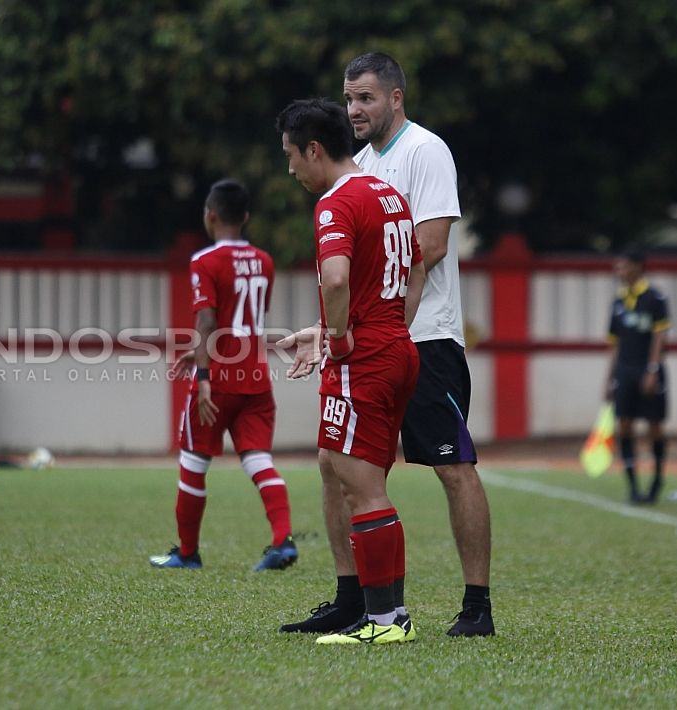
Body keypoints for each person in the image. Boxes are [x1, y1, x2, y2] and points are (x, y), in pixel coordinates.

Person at [284, 52, 495, 638]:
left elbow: (425, 250)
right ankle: (354, 600)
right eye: (348, 99)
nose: (354, 109)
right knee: (337, 466)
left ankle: (475, 604)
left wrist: (359, 328)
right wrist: (332, 329)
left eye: (366, 98)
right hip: (385, 335)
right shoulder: (361, 165)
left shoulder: (425, 151)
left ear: (396, 98)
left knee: (452, 468)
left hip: (422, 337)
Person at [274, 98, 425, 644]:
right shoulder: (389, 195)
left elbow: (336, 280)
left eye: (291, 156)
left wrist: (337, 339)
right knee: (337, 468)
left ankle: (387, 620)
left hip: (364, 361)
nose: (290, 169)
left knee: (363, 487)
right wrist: (375, 327)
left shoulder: (335, 204)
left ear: (314, 150)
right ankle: (364, 606)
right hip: (395, 349)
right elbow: (416, 270)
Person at [149, 179, 297, 572]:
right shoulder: (265, 261)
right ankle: (282, 540)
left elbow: (209, 317)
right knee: (258, 459)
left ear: (209, 215)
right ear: (245, 217)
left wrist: (202, 375)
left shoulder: (204, 261)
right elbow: (243, 319)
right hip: (257, 377)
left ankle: (187, 552)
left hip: (219, 380)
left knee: (193, 463)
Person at [605, 249, 670, 504]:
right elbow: (615, 344)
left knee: (654, 426)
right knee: (624, 425)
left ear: (637, 267)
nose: (618, 272)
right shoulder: (618, 301)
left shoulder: (655, 298)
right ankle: (632, 485)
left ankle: (656, 479)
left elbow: (659, 335)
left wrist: (652, 369)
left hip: (648, 370)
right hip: (624, 371)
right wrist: (610, 378)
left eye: (622, 267)